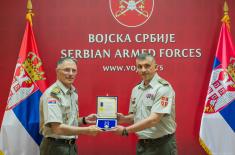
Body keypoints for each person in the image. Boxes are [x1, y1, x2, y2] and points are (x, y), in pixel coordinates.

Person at [112, 53, 177, 155]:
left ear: (155, 68)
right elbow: (136, 117)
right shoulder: (136, 90)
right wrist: (123, 119)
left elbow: (154, 119)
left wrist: (125, 130)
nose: (143, 70)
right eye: (139, 66)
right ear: (136, 69)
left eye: (147, 66)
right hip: (143, 145)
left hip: (162, 145)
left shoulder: (163, 88)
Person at [39, 57, 102, 155]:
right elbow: (57, 128)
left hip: (71, 147)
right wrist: (86, 131)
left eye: (74, 70)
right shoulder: (53, 95)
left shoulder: (72, 92)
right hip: (55, 148)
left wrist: (84, 120)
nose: (71, 74)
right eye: (66, 70)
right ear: (57, 71)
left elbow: (66, 120)